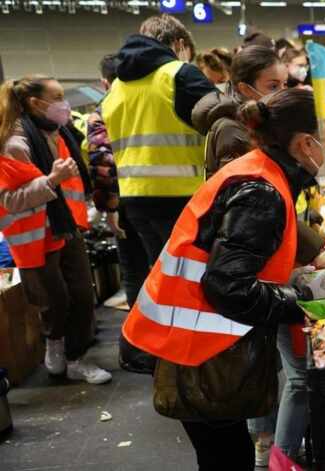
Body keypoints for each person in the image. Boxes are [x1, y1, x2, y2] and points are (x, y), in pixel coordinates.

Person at [122, 88, 324, 470]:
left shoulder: (259, 170)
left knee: (223, 455)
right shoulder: (260, 191)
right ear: (304, 143)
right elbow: (227, 285)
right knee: (226, 458)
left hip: (193, 345)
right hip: (200, 353)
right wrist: (303, 304)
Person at [0, 76, 110, 385]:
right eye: (58, 96)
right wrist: (51, 180)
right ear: (36, 103)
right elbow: (8, 200)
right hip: (36, 236)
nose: (65, 104)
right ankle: (57, 345)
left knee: (82, 296)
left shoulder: (56, 133)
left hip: (65, 227)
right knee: (55, 301)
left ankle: (75, 357)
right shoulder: (14, 144)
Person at [103, 14, 215, 265]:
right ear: (179, 44)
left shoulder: (117, 87)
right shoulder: (179, 74)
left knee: (164, 275)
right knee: (194, 277)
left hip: (134, 199)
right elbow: (225, 121)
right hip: (183, 198)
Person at [88, 55, 156, 374]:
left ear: (105, 82)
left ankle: (140, 349)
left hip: (127, 203)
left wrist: (110, 207)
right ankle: (157, 344)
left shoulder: (104, 109)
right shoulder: (147, 102)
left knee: (134, 273)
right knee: (159, 274)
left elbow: (103, 164)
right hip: (157, 198)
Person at [192, 45, 287, 176]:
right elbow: (237, 188)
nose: (283, 93)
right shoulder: (231, 128)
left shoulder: (263, 120)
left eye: (285, 84)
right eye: (273, 86)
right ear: (245, 89)